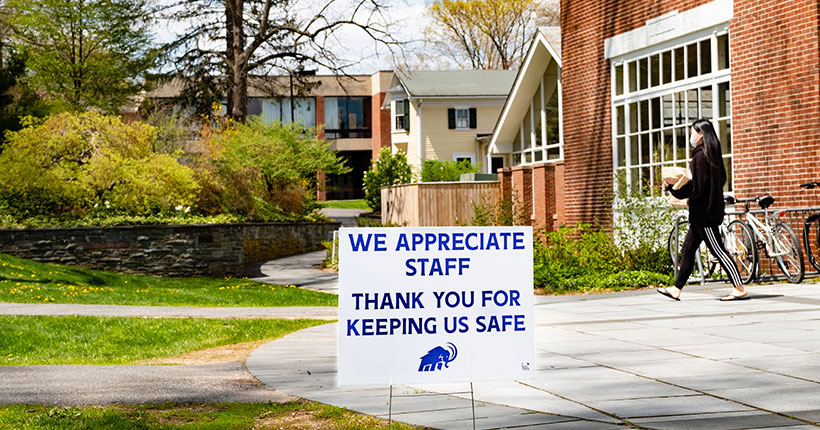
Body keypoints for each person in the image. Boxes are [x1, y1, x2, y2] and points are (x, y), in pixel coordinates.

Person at [658, 119, 748, 301]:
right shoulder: (712, 155)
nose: (691, 136)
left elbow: (697, 189)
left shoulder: (700, 156)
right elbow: (714, 183)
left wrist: (673, 189)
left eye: (692, 132)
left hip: (704, 215)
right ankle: (676, 289)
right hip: (703, 213)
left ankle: (739, 288)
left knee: (718, 251)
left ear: (701, 134)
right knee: (688, 250)